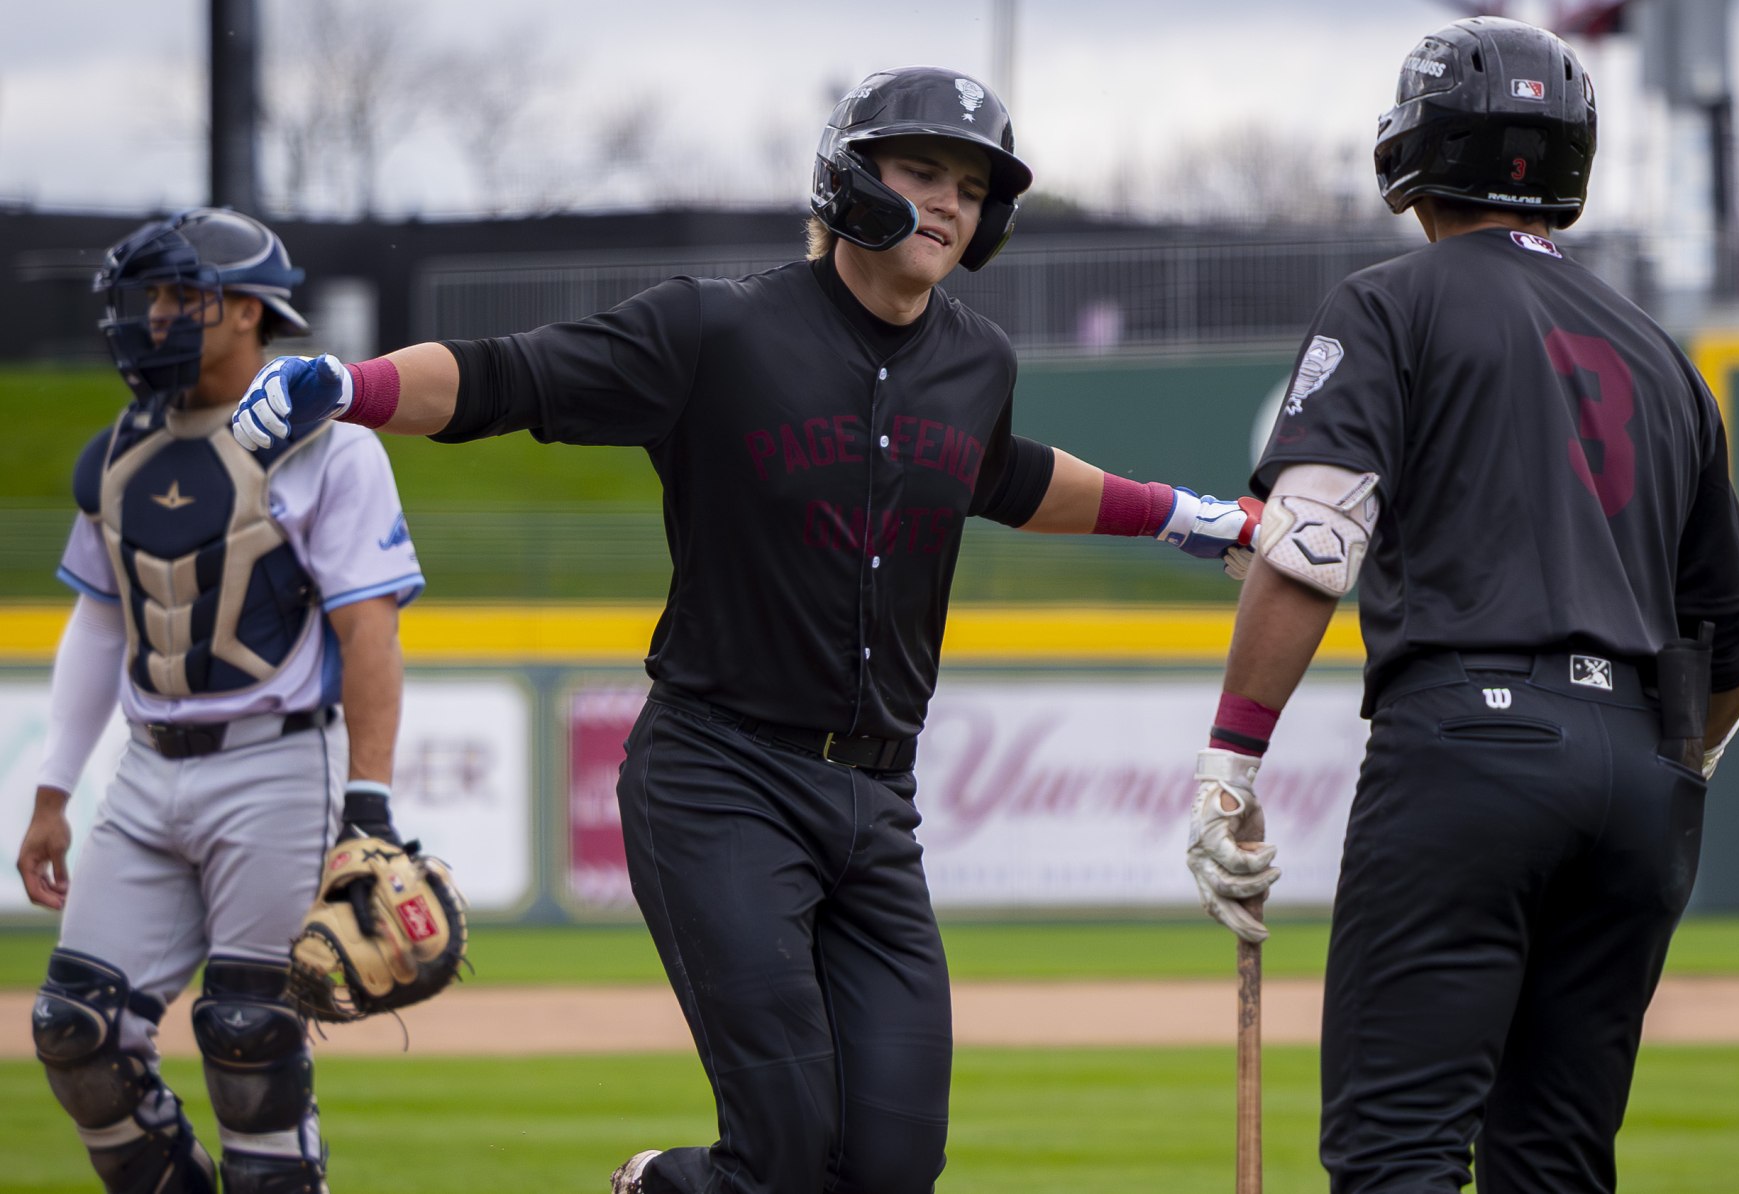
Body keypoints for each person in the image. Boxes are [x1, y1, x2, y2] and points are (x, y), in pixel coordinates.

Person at [228, 66, 1261, 1194]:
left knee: (893, 1169)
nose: (950, 202)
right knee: (782, 1154)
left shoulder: (978, 363)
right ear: (849, 178)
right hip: (720, 780)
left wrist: (1180, 516)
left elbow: (1003, 476)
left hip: (877, 805)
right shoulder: (713, 329)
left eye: (973, 188)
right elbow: (507, 378)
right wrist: (350, 385)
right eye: (923, 171)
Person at [1184, 18, 1739, 1193]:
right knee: (1555, 1165)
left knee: (1398, 1154)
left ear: (1416, 148)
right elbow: (1729, 643)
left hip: (1469, 745)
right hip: (1644, 779)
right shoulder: (1664, 356)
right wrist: (1658, 777)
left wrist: (1231, 766)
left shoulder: (1387, 303)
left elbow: (1312, 547)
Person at [17, 208, 426, 1194]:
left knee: (251, 1043)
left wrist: (368, 806)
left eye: (178, 295)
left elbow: (369, 632)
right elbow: (101, 625)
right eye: (150, 295)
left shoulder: (330, 445)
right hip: (148, 769)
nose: (153, 315)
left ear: (247, 310)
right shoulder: (118, 450)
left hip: (277, 766)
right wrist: (52, 790)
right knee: (76, 1032)